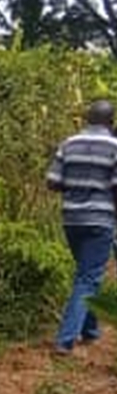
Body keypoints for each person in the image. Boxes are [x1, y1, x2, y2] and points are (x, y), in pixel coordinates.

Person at [46, 98, 117, 353]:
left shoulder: (68, 143)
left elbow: (52, 182)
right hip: (100, 219)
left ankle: (91, 330)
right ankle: (65, 340)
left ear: (88, 119)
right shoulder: (114, 146)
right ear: (111, 122)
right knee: (88, 277)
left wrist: (76, 186)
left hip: (71, 219)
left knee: (88, 274)